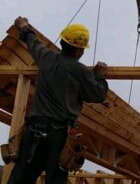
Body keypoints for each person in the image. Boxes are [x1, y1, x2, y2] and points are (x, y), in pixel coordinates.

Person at [7, 16, 109, 184]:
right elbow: (98, 95)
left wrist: (23, 26)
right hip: (59, 135)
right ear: (79, 51)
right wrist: (99, 76)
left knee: (21, 177)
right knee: (55, 179)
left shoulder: (46, 58)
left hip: (34, 130)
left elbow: (32, 41)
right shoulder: (80, 71)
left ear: (62, 42)